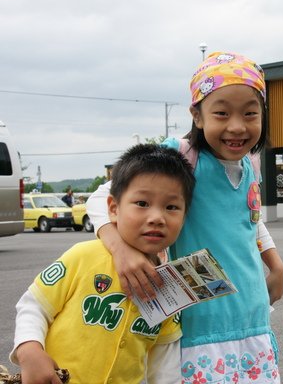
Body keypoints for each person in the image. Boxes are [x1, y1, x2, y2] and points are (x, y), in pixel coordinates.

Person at [87, 52, 283, 382]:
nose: (237, 126)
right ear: (197, 115)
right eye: (221, 113)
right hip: (197, 328)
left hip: (252, 320)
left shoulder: (250, 164)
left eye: (250, 113)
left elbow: (250, 218)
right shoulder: (182, 156)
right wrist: (122, 251)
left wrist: (275, 263)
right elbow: (101, 199)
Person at [11, 144, 195, 384]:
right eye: (142, 203)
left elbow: (164, 365)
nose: (157, 218)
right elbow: (34, 306)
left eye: (171, 207)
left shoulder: (171, 286)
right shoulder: (82, 256)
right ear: (113, 208)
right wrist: (29, 350)